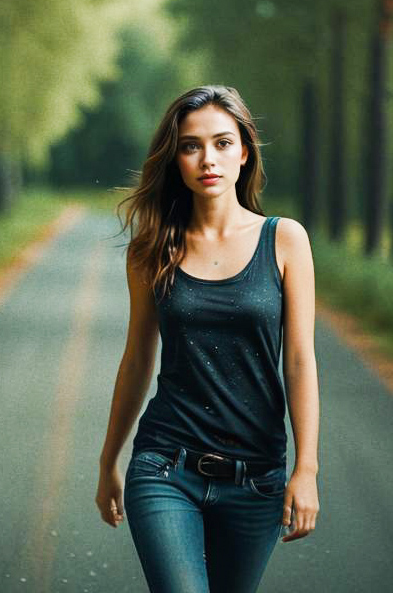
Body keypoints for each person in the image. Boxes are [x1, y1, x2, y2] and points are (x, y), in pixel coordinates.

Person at [96, 85, 320, 592]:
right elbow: (136, 360)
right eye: (190, 146)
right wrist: (109, 460)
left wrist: (306, 469)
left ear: (245, 151)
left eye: (222, 143)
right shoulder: (152, 249)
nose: (207, 159)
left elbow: (301, 361)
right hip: (165, 465)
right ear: (175, 159)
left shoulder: (284, 240)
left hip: (258, 477)